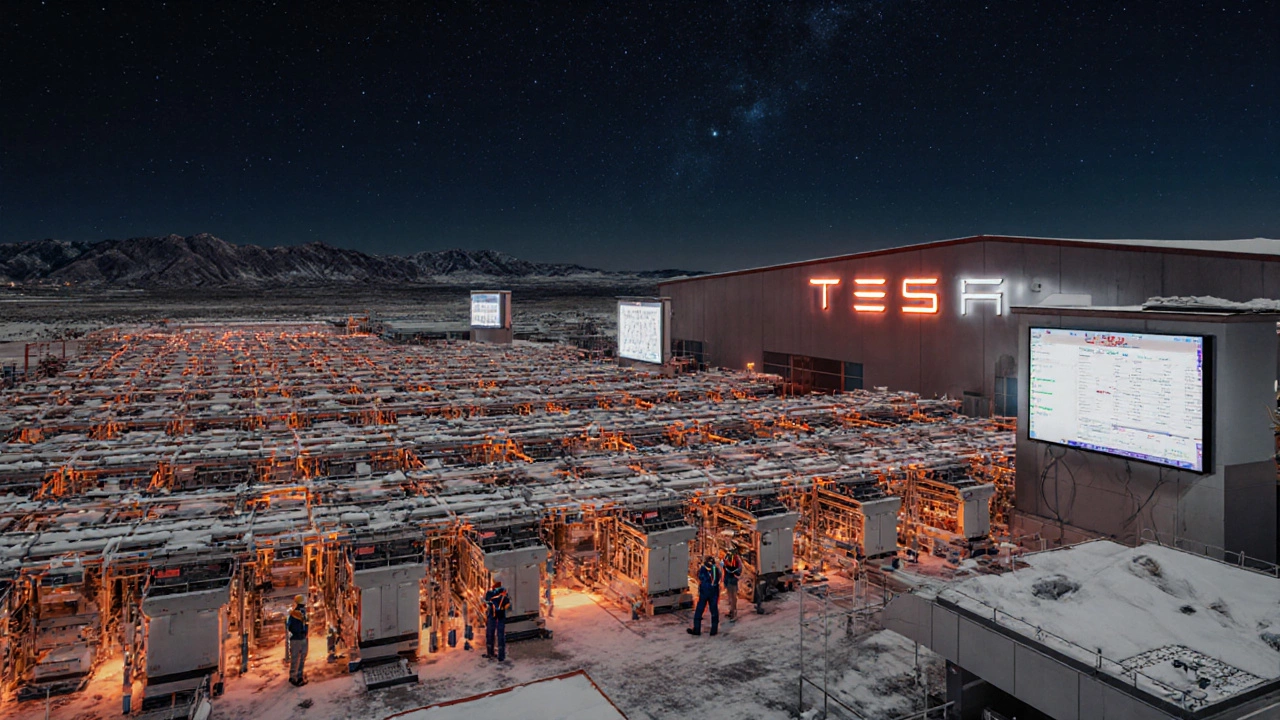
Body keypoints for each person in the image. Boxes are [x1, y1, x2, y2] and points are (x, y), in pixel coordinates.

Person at [687, 555, 722, 636]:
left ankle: (697, 629)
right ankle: (714, 630)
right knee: (714, 611)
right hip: (714, 592)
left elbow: (700, 577)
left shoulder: (703, 570)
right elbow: (719, 578)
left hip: (704, 592)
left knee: (699, 611)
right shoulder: (716, 570)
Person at [483, 578, 512, 661]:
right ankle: (501, 655)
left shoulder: (490, 593)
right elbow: (508, 606)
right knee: (500, 635)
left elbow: (486, 602)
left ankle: (490, 653)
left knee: (490, 634)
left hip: (492, 616)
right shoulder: (504, 595)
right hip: (500, 616)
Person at [286, 594, 309, 686]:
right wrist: (303, 633)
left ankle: (294, 676)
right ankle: (297, 677)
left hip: (296, 638)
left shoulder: (294, 613)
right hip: (300, 638)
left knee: (296, 658)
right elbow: (304, 625)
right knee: (300, 657)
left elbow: (289, 626)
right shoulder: (300, 613)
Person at [722, 546, 743, 621]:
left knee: (733, 598)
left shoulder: (736, 560)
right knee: (730, 598)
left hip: (732, 580)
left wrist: (732, 571)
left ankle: (734, 613)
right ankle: (731, 611)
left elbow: (738, 570)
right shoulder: (728, 558)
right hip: (729, 580)